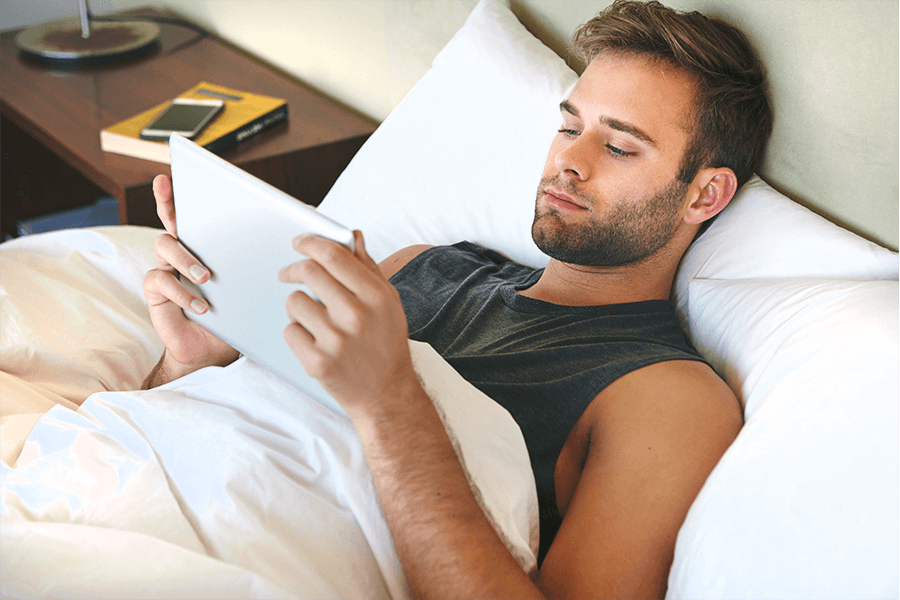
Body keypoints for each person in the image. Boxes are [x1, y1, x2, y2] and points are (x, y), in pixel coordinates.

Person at [143, 1, 772, 597]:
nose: (567, 162)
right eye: (568, 126)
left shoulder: (666, 397)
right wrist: (190, 363)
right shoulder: (425, 264)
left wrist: (389, 400)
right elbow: (187, 438)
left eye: (618, 146)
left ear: (704, 196)